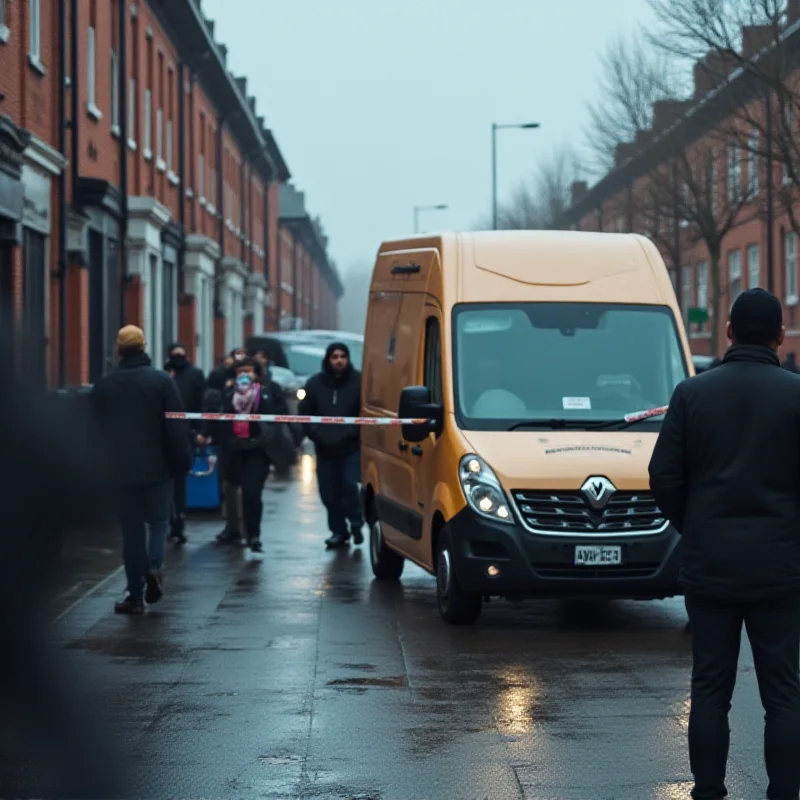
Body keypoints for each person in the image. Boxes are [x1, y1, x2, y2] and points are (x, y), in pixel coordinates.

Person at [649, 288, 800, 800]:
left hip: (710, 566)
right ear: (780, 336)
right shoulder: (796, 395)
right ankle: (784, 792)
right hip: (781, 567)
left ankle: (709, 791)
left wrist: (696, 525)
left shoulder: (692, 394)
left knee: (711, 688)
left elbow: (662, 476)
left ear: (729, 331)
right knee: (783, 693)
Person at [90, 326, 192, 614]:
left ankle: (134, 595)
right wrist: (181, 462)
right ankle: (155, 569)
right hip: (157, 468)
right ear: (144, 347)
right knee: (159, 524)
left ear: (119, 350)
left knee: (132, 532)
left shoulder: (105, 385)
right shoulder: (161, 381)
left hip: (120, 471)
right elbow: (176, 426)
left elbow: (94, 432)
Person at [215, 357, 291, 552]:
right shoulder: (228, 394)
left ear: (257, 374)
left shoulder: (266, 393)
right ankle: (233, 528)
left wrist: (264, 440)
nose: (245, 375)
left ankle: (253, 534)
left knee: (252, 492)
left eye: (249, 371)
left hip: (257, 450)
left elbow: (276, 419)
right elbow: (220, 420)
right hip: (234, 450)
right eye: (241, 371)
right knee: (231, 489)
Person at [298, 342, 364, 548]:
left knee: (350, 486)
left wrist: (355, 432)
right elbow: (304, 412)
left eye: (343, 356)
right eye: (335, 357)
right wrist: (315, 433)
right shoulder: (315, 384)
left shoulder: (359, 382)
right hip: (325, 448)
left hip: (351, 447)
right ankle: (338, 531)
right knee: (329, 493)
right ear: (328, 359)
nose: (339, 360)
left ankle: (355, 522)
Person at [165, 343, 206, 544]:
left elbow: (201, 403)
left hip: (186, 433)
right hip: (166, 434)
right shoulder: (165, 376)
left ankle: (178, 520)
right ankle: (171, 520)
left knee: (180, 480)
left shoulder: (195, 375)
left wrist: (200, 430)